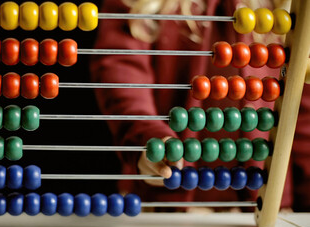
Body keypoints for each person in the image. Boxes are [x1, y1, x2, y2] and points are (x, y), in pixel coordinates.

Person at [90, 0, 310, 211]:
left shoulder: (282, 8)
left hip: (264, 204)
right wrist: (148, 135)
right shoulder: (140, 4)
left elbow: (301, 112)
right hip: (163, 202)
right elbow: (122, 74)